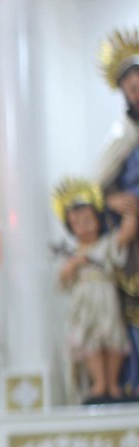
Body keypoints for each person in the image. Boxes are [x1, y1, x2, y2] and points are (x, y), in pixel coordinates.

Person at [52, 178, 137, 403]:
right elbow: (62, 277)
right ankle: (99, 384)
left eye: (88, 219)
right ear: (70, 227)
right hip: (85, 302)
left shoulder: (105, 244)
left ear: (98, 219)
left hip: (106, 297)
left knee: (112, 339)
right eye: (77, 222)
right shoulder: (74, 252)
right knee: (91, 342)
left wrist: (129, 212)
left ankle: (113, 385)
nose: (83, 225)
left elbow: (126, 235)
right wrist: (75, 263)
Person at [94, 28, 139, 396]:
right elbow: (97, 182)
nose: (136, 87)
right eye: (130, 84)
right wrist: (110, 201)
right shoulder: (123, 133)